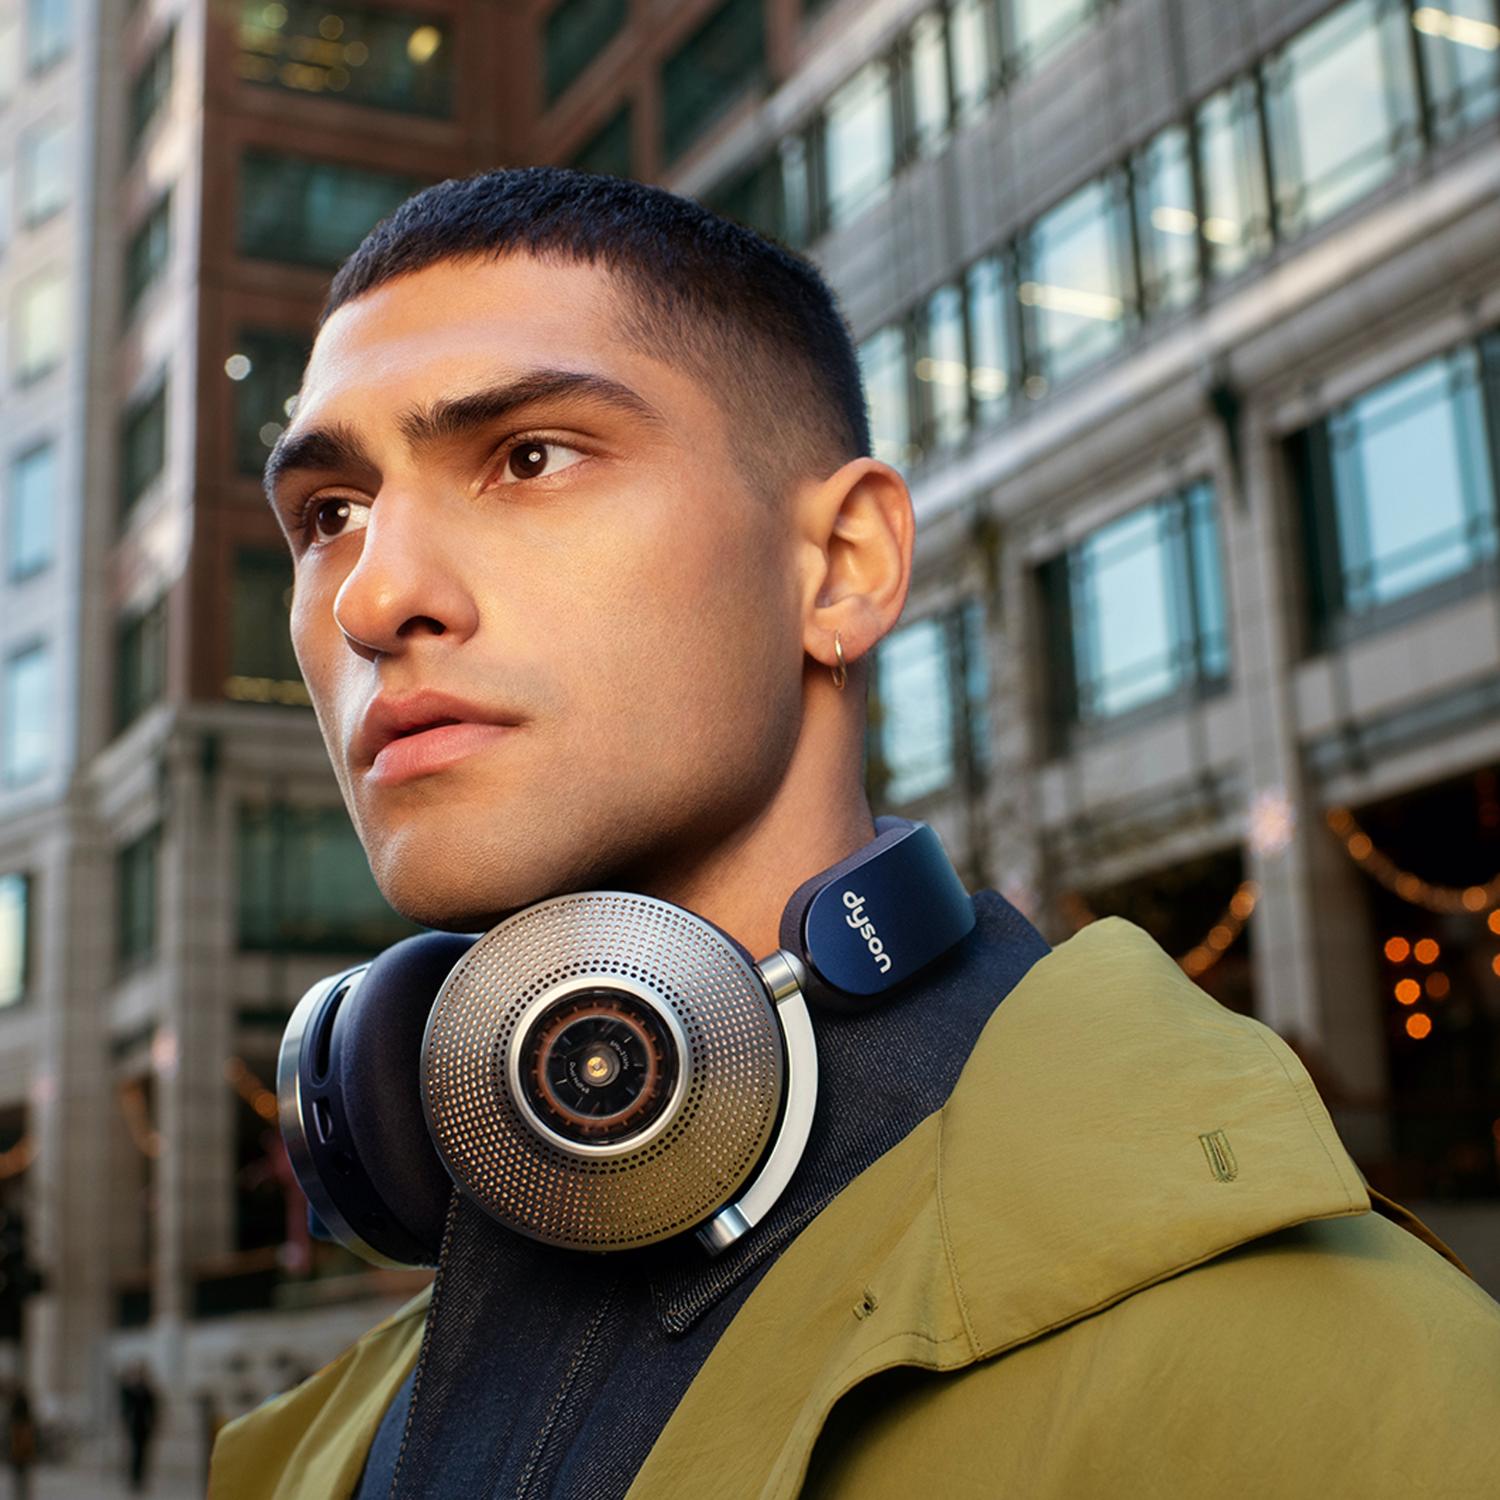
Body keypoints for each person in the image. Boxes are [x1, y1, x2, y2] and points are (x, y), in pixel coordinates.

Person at [209, 168, 1500, 1499]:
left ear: (842, 568)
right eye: (331, 515)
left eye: (528, 457)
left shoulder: (1326, 1390)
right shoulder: (310, 1455)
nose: (373, 598)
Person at [118, 1362, 158, 1494]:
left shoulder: (147, 1391)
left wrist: (153, 1424)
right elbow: (125, 1408)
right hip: (134, 1426)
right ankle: (133, 1478)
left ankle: (140, 1478)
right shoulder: (131, 1390)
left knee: (143, 1454)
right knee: (134, 1453)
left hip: (144, 1427)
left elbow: (153, 1410)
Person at [4, 1386, 35, 1500]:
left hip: (20, 1434)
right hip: (21, 1435)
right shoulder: (20, 1402)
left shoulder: (18, 1403)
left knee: (21, 1465)